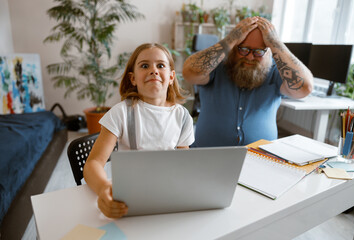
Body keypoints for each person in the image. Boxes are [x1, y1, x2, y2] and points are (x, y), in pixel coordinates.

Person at [84, 43, 195, 218]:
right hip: (130, 200)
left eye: (160, 65)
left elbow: (183, 165)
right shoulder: (121, 112)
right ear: (133, 78)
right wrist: (104, 188)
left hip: (167, 198)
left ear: (172, 76)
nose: (154, 70)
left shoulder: (182, 116)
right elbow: (93, 164)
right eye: (144, 66)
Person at [182, 17, 313, 147]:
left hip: (261, 158)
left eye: (259, 51)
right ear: (234, 46)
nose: (250, 57)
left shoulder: (275, 71)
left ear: (269, 51)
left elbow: (305, 88)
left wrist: (276, 44)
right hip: (208, 156)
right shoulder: (216, 66)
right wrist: (230, 39)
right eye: (243, 50)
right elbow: (189, 73)